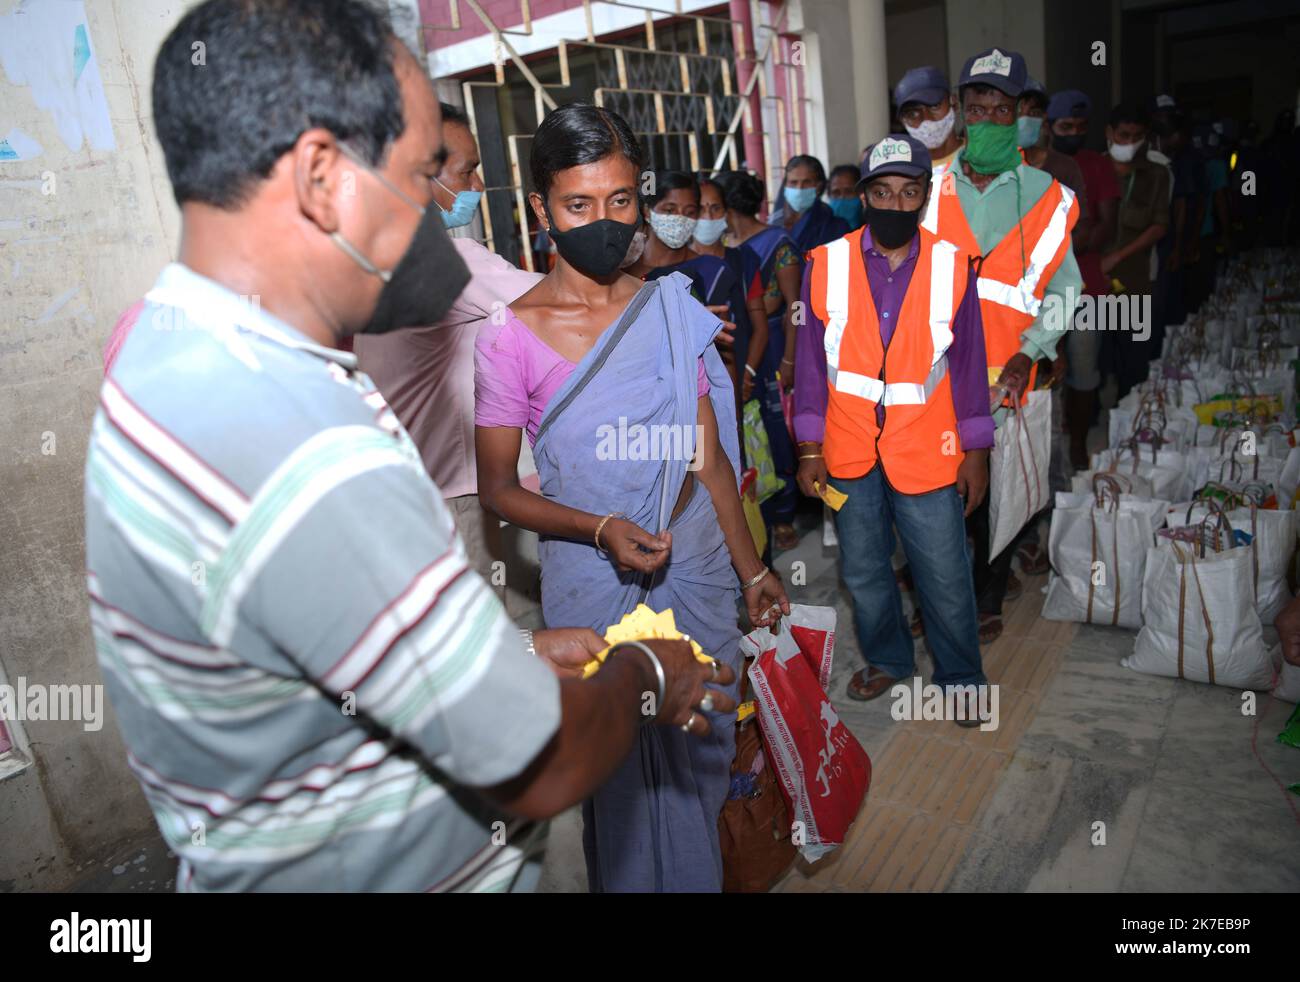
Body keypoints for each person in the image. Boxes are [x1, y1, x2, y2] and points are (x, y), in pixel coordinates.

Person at [86, 0, 736, 894]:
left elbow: (322, 665)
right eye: (421, 173)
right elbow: (537, 762)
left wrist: (497, 660)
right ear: (322, 175)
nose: (438, 215)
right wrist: (642, 673)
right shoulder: (306, 444)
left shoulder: (160, 351)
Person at [473, 103, 789, 893]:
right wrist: (600, 525)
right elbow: (500, 490)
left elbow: (708, 455)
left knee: (707, 745)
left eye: (621, 201)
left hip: (699, 561)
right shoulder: (507, 337)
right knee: (617, 770)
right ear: (542, 209)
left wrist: (752, 572)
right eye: (579, 205)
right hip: (591, 574)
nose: (604, 221)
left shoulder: (668, 306)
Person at [794, 134, 992, 715]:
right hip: (847, 447)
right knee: (863, 571)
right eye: (882, 192)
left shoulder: (954, 266)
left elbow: (970, 364)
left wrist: (976, 450)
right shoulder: (825, 264)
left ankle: (960, 678)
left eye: (909, 193)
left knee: (945, 572)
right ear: (863, 196)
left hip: (930, 447)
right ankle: (888, 659)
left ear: (925, 197)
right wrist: (808, 446)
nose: (896, 206)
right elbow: (809, 364)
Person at [919, 47, 1082, 644]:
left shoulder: (1049, 195)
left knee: (996, 499)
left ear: (1019, 115)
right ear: (961, 112)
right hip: (932, 375)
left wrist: (1031, 350)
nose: (988, 118)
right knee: (931, 493)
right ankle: (937, 590)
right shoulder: (927, 188)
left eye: (1002, 108)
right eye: (978, 107)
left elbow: (1067, 289)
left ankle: (987, 593)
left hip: (1007, 379)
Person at [352, 102, 541, 581]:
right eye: (468, 171)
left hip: (393, 491)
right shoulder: (449, 262)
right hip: (454, 496)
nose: (477, 186)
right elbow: (562, 305)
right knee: (487, 636)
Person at [715, 169, 804, 551]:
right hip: (736, 341)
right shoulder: (723, 245)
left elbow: (795, 306)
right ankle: (753, 504)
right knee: (744, 427)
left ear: (728, 206)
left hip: (773, 342)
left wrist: (789, 360)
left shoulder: (777, 243)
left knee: (774, 426)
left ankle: (783, 512)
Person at [1047, 89, 1119, 465]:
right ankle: (1054, 451)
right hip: (1040, 291)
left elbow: (1106, 227)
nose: (1074, 132)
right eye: (1065, 126)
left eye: (1080, 126)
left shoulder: (1097, 165)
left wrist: (1059, 245)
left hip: (1086, 286)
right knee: (1046, 374)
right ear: (1049, 126)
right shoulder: (1035, 165)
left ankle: (1078, 443)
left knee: (1084, 367)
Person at [1100, 102, 1169, 396]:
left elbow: (1159, 225)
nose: (1129, 142)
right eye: (1123, 135)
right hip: (1094, 282)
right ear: (1109, 133)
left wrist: (1117, 256)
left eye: (1136, 136)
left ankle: (1129, 424)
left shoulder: (1156, 174)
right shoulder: (1094, 168)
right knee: (1096, 358)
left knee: (1133, 360)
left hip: (1134, 280)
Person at [768, 153, 851, 253]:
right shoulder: (775, 223)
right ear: (785, 185)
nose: (799, 189)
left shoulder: (836, 227)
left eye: (806, 182)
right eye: (793, 182)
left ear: (819, 187)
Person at [894, 66, 963, 170]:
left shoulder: (982, 157)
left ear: (954, 103)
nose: (926, 119)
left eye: (935, 106)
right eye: (912, 114)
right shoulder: (903, 173)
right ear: (903, 121)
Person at [827, 163, 864, 229]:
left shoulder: (873, 232)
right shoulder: (822, 232)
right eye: (836, 193)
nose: (842, 198)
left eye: (848, 192)